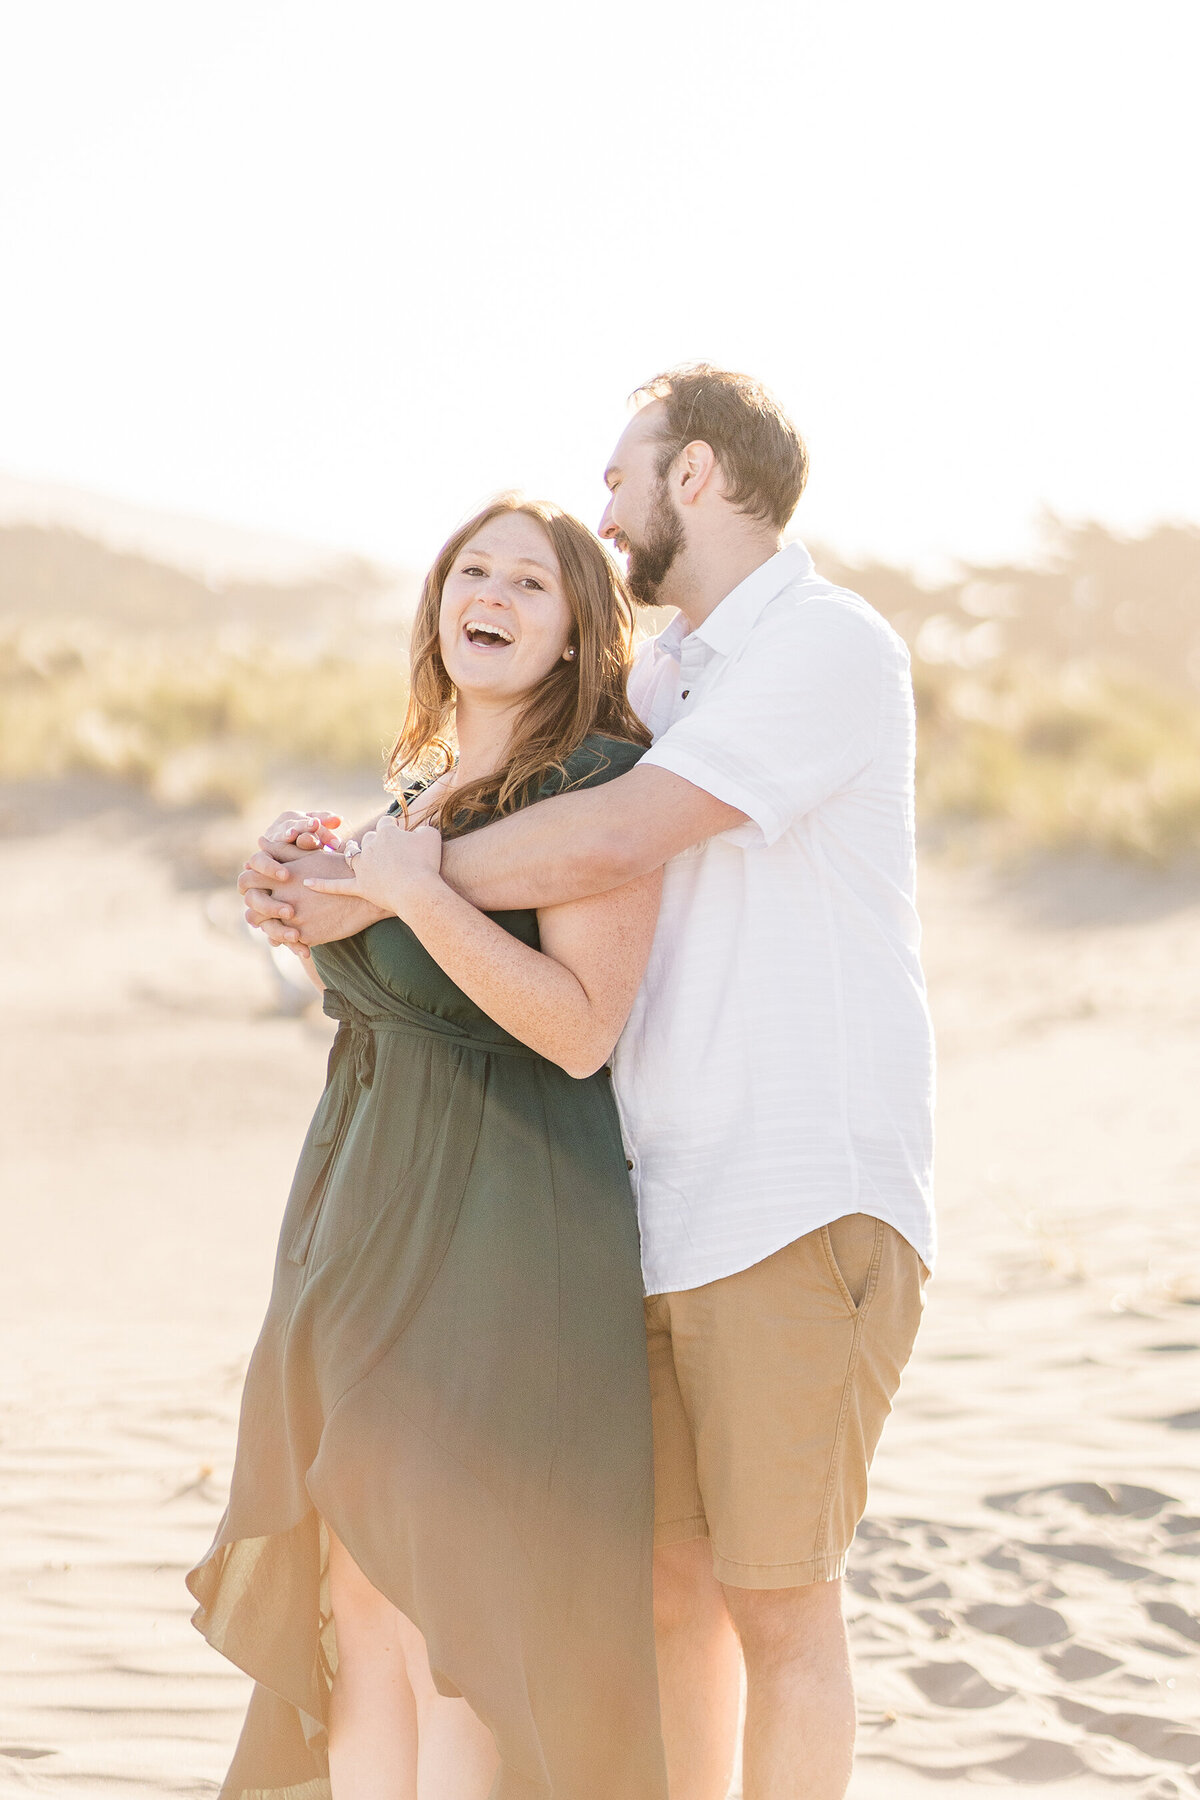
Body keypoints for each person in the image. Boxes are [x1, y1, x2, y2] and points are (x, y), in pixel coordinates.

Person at [246, 366, 936, 1800]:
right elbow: (506, 773)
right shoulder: (672, 674)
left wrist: (380, 888)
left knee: (779, 1604)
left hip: (797, 1194)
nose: (606, 507)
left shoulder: (827, 646)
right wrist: (334, 860)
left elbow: (609, 836)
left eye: (622, 476)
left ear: (693, 476)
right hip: (646, 1211)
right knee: (669, 1592)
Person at [191, 496, 669, 1800]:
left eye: (532, 580)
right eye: (475, 570)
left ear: (575, 631)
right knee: (363, 1607)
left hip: (504, 1227)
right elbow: (377, 968)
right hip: (359, 1215)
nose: (495, 594)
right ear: (439, 603)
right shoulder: (415, 784)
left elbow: (580, 1030)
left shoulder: (596, 789)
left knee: (462, 1622)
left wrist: (408, 892)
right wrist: (285, 896)